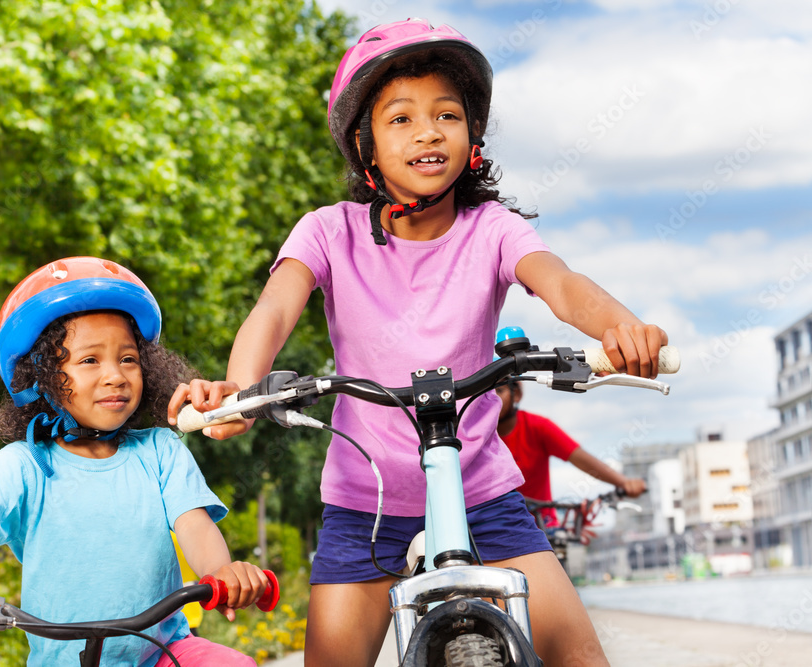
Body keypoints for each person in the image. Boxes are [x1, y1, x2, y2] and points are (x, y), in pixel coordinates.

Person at [169, 19, 667, 667]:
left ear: (472, 137)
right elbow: (273, 310)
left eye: (447, 114)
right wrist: (241, 390)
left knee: (580, 655)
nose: (428, 131)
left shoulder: (492, 229)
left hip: (484, 495)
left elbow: (562, 285)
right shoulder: (327, 232)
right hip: (363, 506)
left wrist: (619, 328)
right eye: (400, 118)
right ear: (365, 143)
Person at [0, 257, 268, 667]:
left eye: (128, 359)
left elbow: (194, 523)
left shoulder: (160, 450)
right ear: (43, 377)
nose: (116, 376)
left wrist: (222, 572)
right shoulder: (23, 466)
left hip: (165, 652)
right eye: (90, 361)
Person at [496, 377, 647, 527]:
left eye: (499, 390)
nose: (492, 399)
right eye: (485, 394)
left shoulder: (537, 427)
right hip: (493, 529)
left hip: (541, 526)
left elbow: (581, 458)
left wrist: (624, 482)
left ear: (516, 394)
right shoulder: (477, 437)